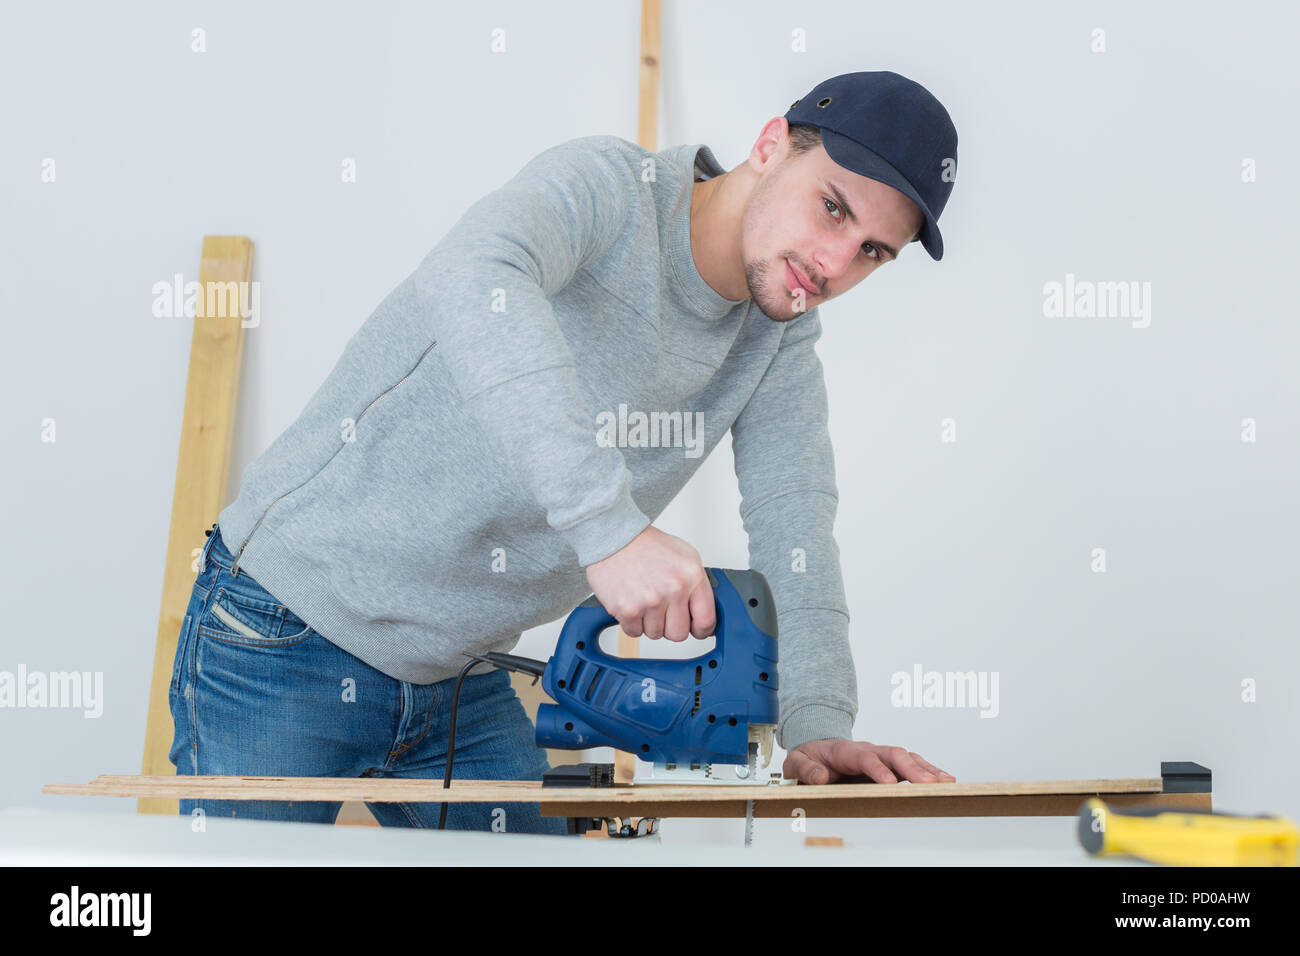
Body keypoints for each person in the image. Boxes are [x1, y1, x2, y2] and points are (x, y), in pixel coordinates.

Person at [169, 70, 961, 833]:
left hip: (459, 673)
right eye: (831, 208)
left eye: (871, 252)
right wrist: (608, 526)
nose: (832, 265)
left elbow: (796, 522)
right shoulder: (610, 192)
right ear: (769, 145)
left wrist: (815, 721)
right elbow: (474, 272)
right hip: (284, 632)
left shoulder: (777, 339)